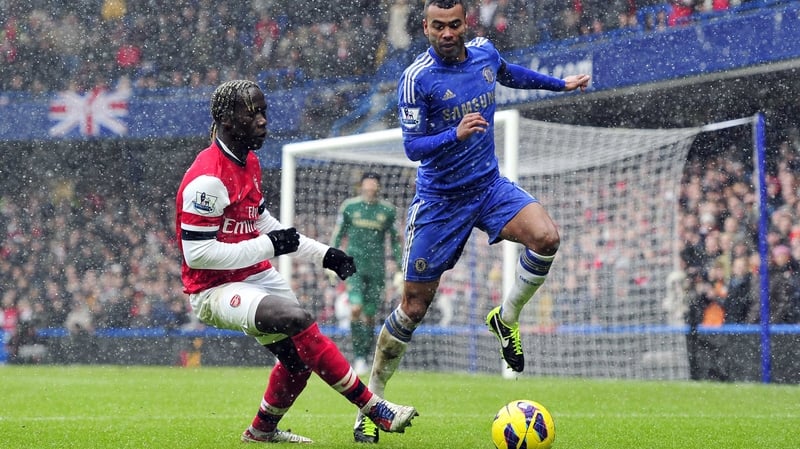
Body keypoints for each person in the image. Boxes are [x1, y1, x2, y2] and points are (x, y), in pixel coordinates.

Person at [350, 0, 591, 443]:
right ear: (424, 27)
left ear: (466, 24)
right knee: (413, 308)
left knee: (546, 237)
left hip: (488, 187)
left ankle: (507, 317)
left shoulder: (483, 53)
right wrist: (455, 133)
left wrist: (560, 84)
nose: (446, 33)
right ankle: (373, 404)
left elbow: (511, 73)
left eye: (454, 24)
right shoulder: (416, 79)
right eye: (437, 26)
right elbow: (412, 148)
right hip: (439, 202)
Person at [176, 80, 417, 444]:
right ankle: (374, 408)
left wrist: (325, 254)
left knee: (298, 360)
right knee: (297, 319)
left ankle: (261, 431)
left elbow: (263, 224)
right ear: (226, 120)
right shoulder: (207, 179)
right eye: (252, 112)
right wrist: (268, 246)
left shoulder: (249, 162)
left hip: (253, 275)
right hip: (214, 288)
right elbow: (198, 254)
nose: (262, 121)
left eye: (264, 111)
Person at [331, 172, 403, 376]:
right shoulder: (350, 207)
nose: (371, 186)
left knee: (370, 315)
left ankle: (365, 355)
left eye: (374, 183)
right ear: (361, 185)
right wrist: (330, 258)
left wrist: (399, 268)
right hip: (353, 266)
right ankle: (358, 357)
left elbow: (396, 241)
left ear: (378, 186)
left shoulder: (387, 210)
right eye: (367, 182)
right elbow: (338, 233)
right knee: (355, 308)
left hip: (377, 268)